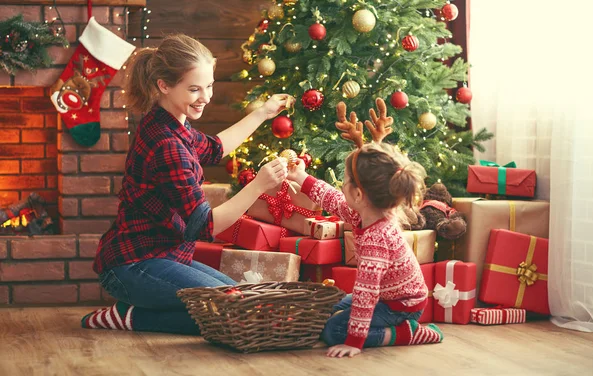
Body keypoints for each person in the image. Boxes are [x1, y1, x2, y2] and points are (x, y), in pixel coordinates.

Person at [80, 34, 293, 334]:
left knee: (245, 300)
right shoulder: (167, 144)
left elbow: (216, 147)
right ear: (164, 85)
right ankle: (128, 317)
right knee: (235, 313)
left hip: (165, 257)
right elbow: (204, 226)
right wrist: (258, 185)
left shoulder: (172, 123)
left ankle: (136, 311)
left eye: (209, 85)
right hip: (133, 266)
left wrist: (264, 112)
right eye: (194, 89)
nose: (205, 96)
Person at [286, 102, 443, 358]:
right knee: (328, 306)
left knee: (334, 330)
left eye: (345, 182)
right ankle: (388, 329)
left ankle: (408, 333)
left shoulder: (376, 239)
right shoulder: (363, 212)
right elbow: (332, 199)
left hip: (401, 306)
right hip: (386, 296)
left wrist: (354, 341)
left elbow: (365, 294)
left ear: (358, 194)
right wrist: (301, 177)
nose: (342, 186)